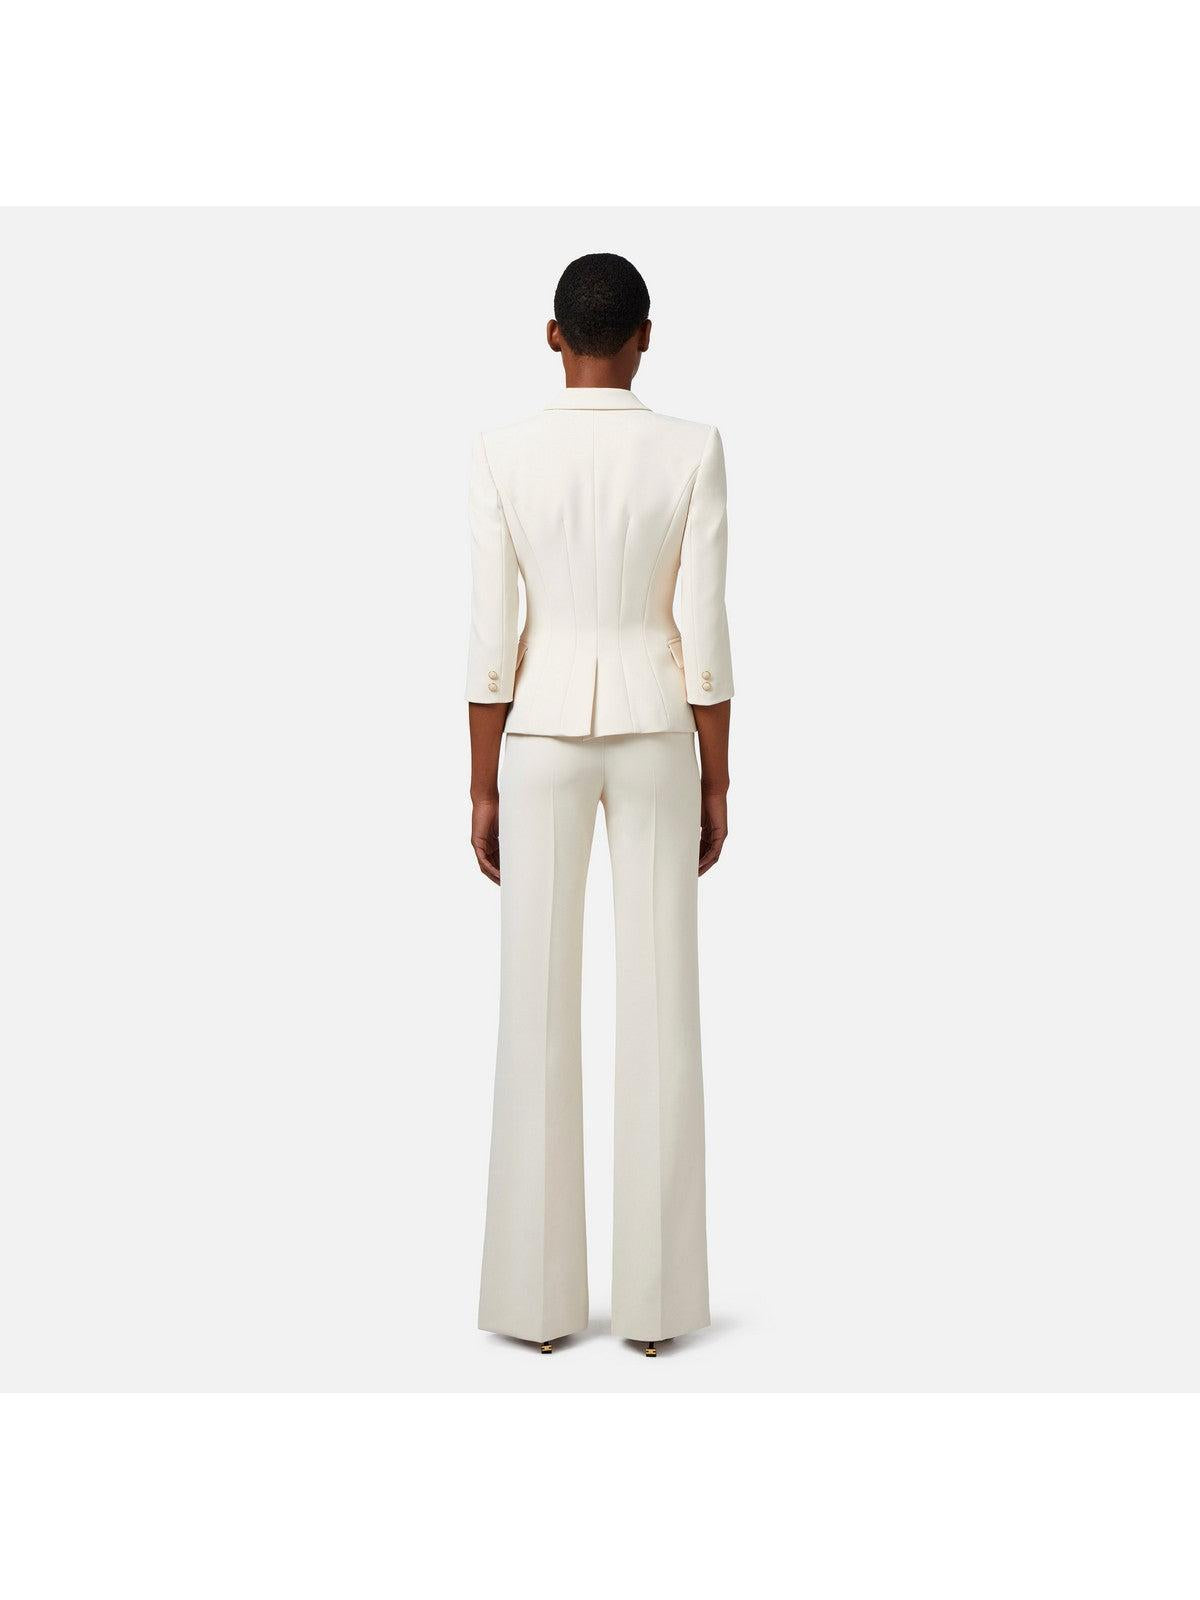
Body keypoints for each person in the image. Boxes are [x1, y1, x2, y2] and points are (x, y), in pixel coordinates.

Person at [466, 253, 733, 1357]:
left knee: (533, 1002)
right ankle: (657, 1313)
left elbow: (490, 635)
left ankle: (534, 1309)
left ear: (552, 335)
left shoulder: (502, 452)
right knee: (662, 999)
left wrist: (480, 779)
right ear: (645, 336)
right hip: (657, 725)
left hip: (536, 734)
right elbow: (705, 629)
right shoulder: (692, 448)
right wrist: (717, 773)